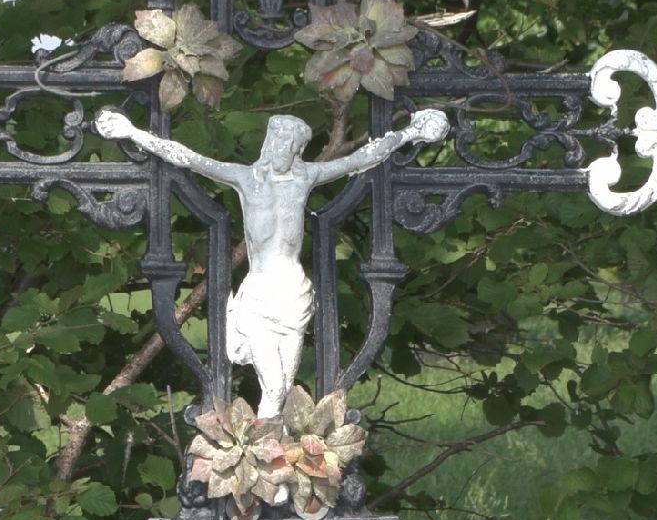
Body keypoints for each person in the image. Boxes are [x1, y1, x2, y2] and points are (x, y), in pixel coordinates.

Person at [94, 104, 449, 416]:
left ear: (298, 151)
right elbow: (185, 157)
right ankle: (266, 456)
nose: (283, 150)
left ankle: (274, 455)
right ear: (268, 143)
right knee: (276, 388)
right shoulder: (244, 178)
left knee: (281, 391)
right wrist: (132, 132)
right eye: (278, 142)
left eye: (291, 146)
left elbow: (361, 159)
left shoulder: (304, 179)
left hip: (295, 296)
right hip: (260, 297)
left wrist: (411, 133)